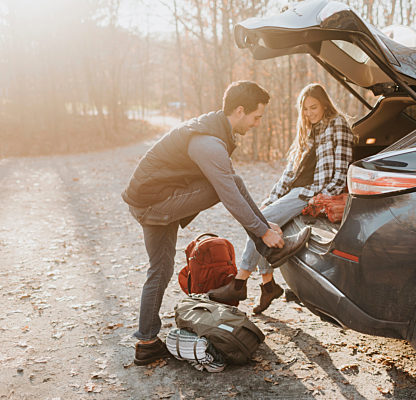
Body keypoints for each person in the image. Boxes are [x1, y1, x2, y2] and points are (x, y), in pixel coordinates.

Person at [122, 81, 310, 366]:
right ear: (239, 110)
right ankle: (268, 245)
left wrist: (263, 224)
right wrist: (262, 230)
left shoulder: (213, 130)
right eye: (257, 116)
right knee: (227, 184)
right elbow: (230, 195)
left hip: (152, 198)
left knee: (160, 268)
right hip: (154, 202)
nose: (258, 123)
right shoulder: (208, 142)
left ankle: (146, 344)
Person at [209, 83, 353, 314]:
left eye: (313, 107)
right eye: (304, 109)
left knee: (260, 223)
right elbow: (289, 174)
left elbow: (341, 169)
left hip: (309, 193)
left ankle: (240, 281)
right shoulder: (307, 130)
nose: (309, 113)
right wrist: (271, 198)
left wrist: (323, 198)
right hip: (294, 192)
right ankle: (268, 285)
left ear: (325, 103)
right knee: (263, 219)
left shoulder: (337, 125)